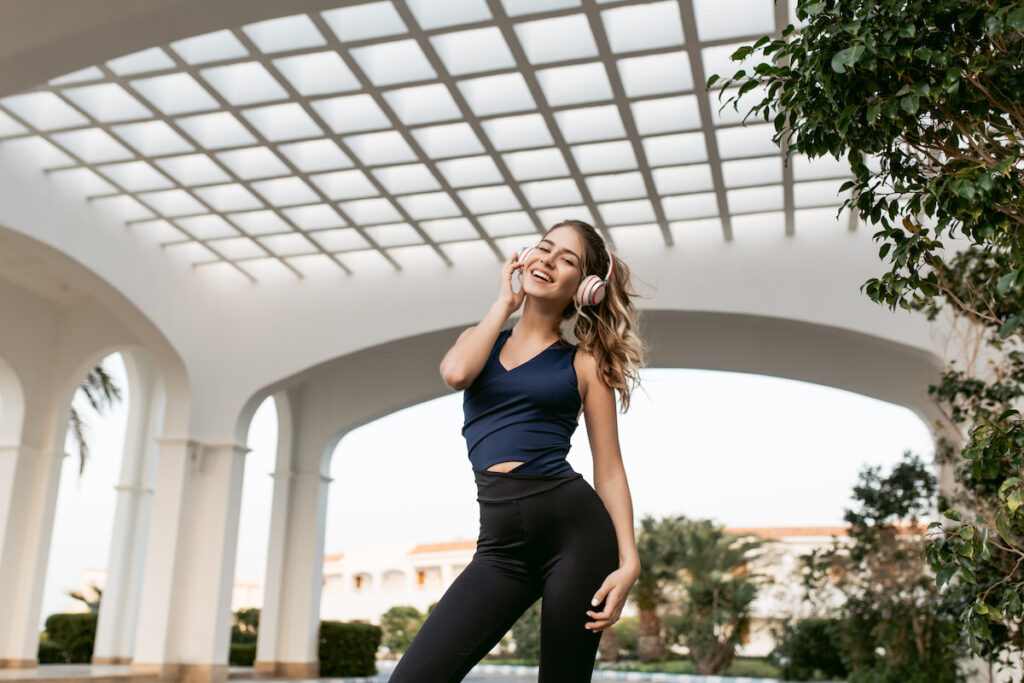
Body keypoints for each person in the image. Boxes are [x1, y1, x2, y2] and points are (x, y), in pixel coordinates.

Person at [388, 219, 647, 682]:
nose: (548, 260)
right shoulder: (480, 338)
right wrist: (505, 303)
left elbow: (609, 469)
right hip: (501, 548)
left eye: (566, 259)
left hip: (577, 538)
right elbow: (455, 374)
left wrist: (629, 560)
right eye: (543, 249)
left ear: (584, 288)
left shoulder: (584, 361)